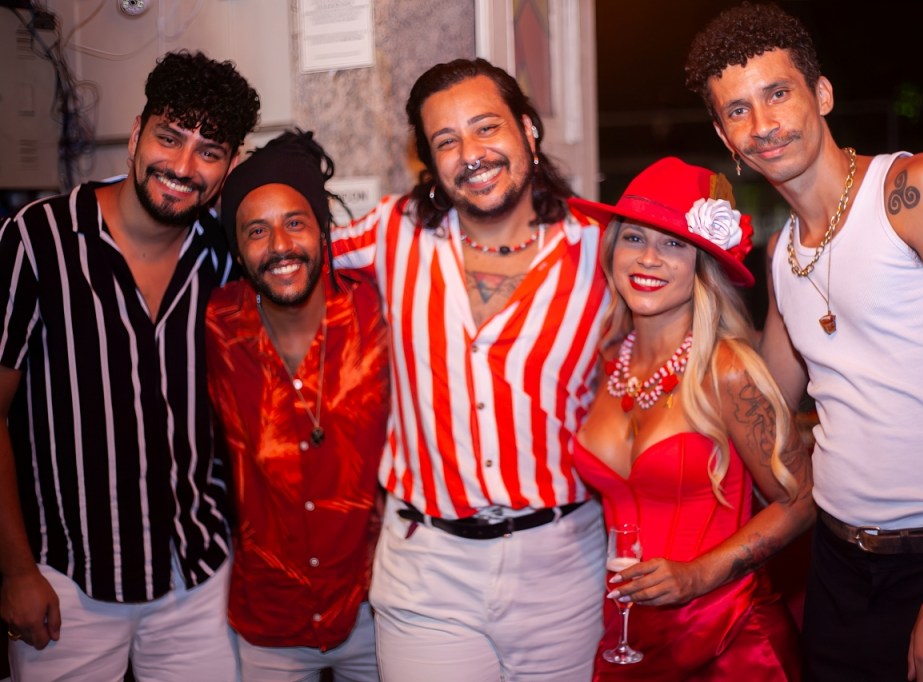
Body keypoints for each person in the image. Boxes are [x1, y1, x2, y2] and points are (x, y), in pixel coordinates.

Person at [685, 4, 923, 681]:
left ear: (822, 94)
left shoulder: (915, 190)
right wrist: (673, 299)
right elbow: (763, 404)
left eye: (778, 93)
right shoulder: (784, 254)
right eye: (738, 111)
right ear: (725, 136)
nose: (763, 124)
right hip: (838, 570)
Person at [331, 58, 609, 681]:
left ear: (528, 130)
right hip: (427, 571)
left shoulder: (600, 246)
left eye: (487, 128)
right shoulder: (392, 232)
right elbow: (286, 254)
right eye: (447, 141)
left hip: (563, 569)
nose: (472, 154)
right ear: (429, 162)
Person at [0, 50, 259, 680]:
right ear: (137, 132)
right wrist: (15, 571)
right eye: (170, 138)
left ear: (229, 166)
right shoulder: (38, 240)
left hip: (196, 575)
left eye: (209, 151)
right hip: (69, 580)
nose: (183, 167)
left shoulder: (223, 255)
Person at [569, 157, 814, 680]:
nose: (649, 258)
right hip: (628, 637)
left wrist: (699, 574)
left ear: (703, 263)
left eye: (674, 244)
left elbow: (801, 500)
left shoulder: (729, 370)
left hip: (730, 642)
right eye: (634, 238)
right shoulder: (606, 362)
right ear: (612, 249)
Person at [206, 130, 389, 681]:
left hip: (377, 608)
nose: (280, 245)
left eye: (295, 222)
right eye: (257, 230)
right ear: (238, 250)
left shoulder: (376, 313)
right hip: (269, 619)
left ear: (323, 229)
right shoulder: (214, 326)